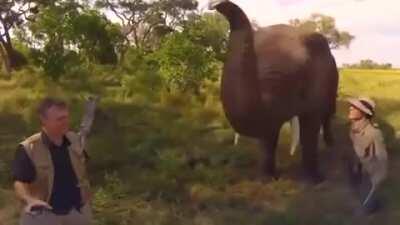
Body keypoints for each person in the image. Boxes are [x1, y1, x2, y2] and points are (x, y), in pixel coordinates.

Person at [12, 98, 92, 225]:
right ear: (43, 120)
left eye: (66, 117)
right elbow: (19, 182)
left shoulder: (75, 140)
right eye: (59, 119)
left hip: (77, 212)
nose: (65, 122)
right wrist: (29, 200)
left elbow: (83, 169)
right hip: (43, 215)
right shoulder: (29, 148)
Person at [347, 96, 388, 215]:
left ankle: (374, 202)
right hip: (356, 171)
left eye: (355, 108)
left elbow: (382, 159)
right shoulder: (353, 128)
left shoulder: (374, 133)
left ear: (364, 113)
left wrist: (376, 180)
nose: (350, 108)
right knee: (355, 197)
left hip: (368, 176)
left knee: (363, 211)